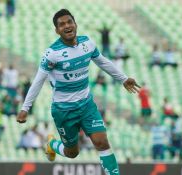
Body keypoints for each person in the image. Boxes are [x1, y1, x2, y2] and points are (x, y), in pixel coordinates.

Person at [16, 9, 140, 175]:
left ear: (75, 24)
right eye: (62, 24)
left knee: (102, 141)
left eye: (69, 22)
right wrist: (25, 108)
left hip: (87, 104)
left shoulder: (87, 43)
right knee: (72, 153)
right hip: (64, 110)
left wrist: (123, 78)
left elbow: (102, 61)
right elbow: (38, 81)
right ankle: (52, 144)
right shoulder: (52, 53)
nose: (67, 26)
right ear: (57, 30)